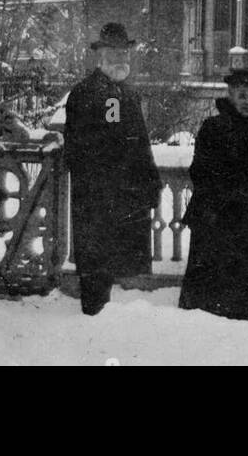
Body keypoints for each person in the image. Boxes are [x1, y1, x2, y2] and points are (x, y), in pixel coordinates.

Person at [63, 22, 162, 316]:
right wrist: (108, 181)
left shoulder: (128, 94)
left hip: (125, 197)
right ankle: (94, 322)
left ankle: (111, 328)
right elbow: (80, 149)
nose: (121, 59)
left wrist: (150, 180)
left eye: (124, 53)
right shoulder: (86, 93)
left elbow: (140, 143)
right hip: (97, 199)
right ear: (100, 55)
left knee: (121, 269)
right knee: (96, 270)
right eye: (114, 53)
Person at [178, 67, 248, 323]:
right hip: (218, 212)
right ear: (230, 96)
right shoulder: (213, 127)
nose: (247, 102)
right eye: (241, 95)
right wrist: (226, 194)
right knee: (216, 266)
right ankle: (212, 317)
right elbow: (200, 170)